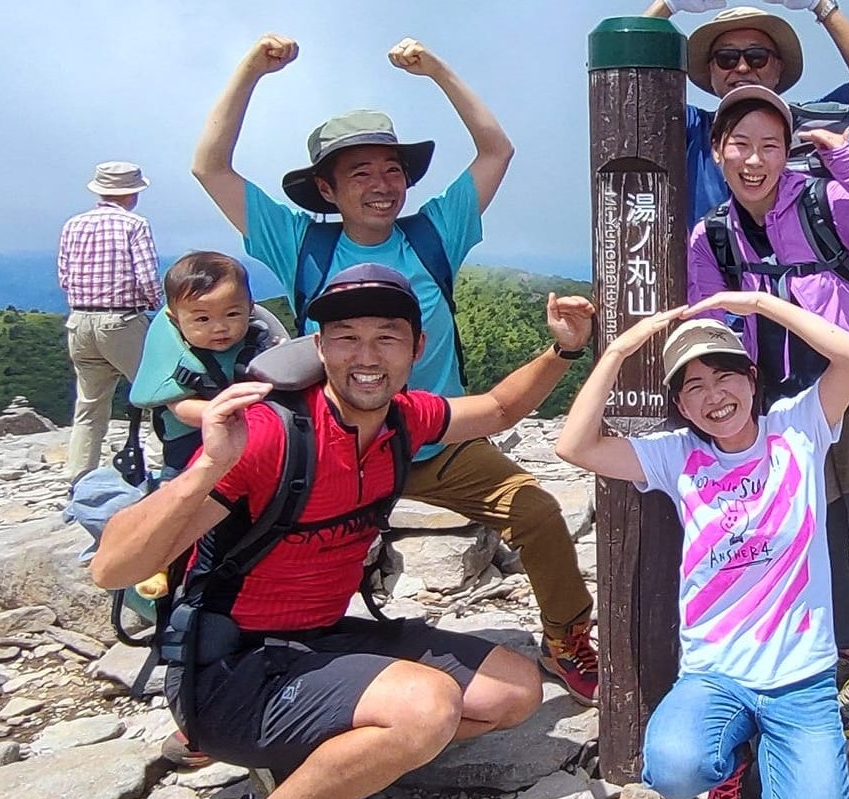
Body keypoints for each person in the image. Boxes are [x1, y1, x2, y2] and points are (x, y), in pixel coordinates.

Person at [91, 263, 593, 799]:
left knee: (514, 692)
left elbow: (495, 411)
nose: (366, 355)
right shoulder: (268, 436)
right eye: (346, 337)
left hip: (320, 641)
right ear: (319, 348)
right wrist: (207, 468)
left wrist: (563, 350)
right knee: (427, 710)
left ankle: (316, 774)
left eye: (386, 338)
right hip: (231, 673)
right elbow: (112, 567)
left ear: (415, 350)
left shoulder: (401, 420)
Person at [191, 34, 600, 704]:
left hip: (437, 436)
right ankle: (230, 675)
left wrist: (437, 68)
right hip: (336, 446)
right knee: (271, 546)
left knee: (535, 512)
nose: (382, 186)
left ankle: (565, 639)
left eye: (392, 171)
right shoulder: (298, 241)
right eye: (359, 174)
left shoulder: (434, 232)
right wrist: (249, 72)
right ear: (326, 188)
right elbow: (210, 167)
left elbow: (496, 150)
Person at [554, 291, 849, 799]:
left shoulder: (799, 429)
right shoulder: (677, 456)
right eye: (693, 387)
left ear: (752, 380)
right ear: (679, 405)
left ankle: (773, 761)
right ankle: (734, 760)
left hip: (801, 680)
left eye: (725, 375)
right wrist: (619, 346)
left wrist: (755, 302)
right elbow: (575, 445)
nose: (713, 396)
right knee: (672, 769)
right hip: (715, 674)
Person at [686, 87, 849, 738]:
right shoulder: (711, 237)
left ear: (789, 149)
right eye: (740, 143)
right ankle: (844, 657)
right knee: (818, 538)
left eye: (771, 144)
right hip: (780, 408)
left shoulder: (825, 203)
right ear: (717, 151)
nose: (754, 159)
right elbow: (712, 335)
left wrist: (848, 165)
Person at [644, 0, 849, 222]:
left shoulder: (804, 124)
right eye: (726, 58)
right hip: (704, 260)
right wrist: (666, 3)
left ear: (778, 67)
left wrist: (821, 5)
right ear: (711, 69)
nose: (741, 68)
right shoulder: (693, 127)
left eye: (756, 57)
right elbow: (622, 91)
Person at [130, 251, 288, 475]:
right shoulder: (177, 355)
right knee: (180, 488)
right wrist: (230, 414)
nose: (219, 327)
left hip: (255, 440)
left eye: (232, 314)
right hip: (191, 444)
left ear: (250, 309)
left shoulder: (259, 342)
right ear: (176, 319)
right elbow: (180, 408)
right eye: (202, 319)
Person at [57, 161, 162, 483]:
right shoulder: (135, 224)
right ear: (132, 193)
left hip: (79, 320)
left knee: (89, 406)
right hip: (121, 320)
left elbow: (64, 276)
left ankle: (79, 477)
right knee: (160, 394)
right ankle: (161, 469)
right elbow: (146, 276)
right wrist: (157, 305)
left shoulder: (72, 224)